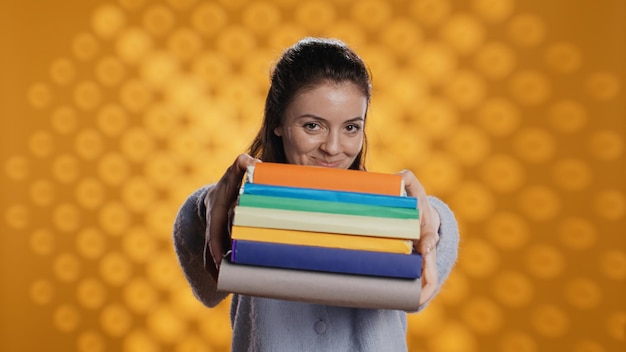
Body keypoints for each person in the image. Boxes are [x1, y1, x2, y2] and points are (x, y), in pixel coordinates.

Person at [173, 37, 459, 352]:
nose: (333, 148)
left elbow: (422, 276)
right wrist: (211, 201)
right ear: (278, 122)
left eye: (351, 128)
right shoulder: (245, 209)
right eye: (313, 126)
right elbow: (208, 286)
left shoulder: (389, 215)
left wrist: (428, 216)